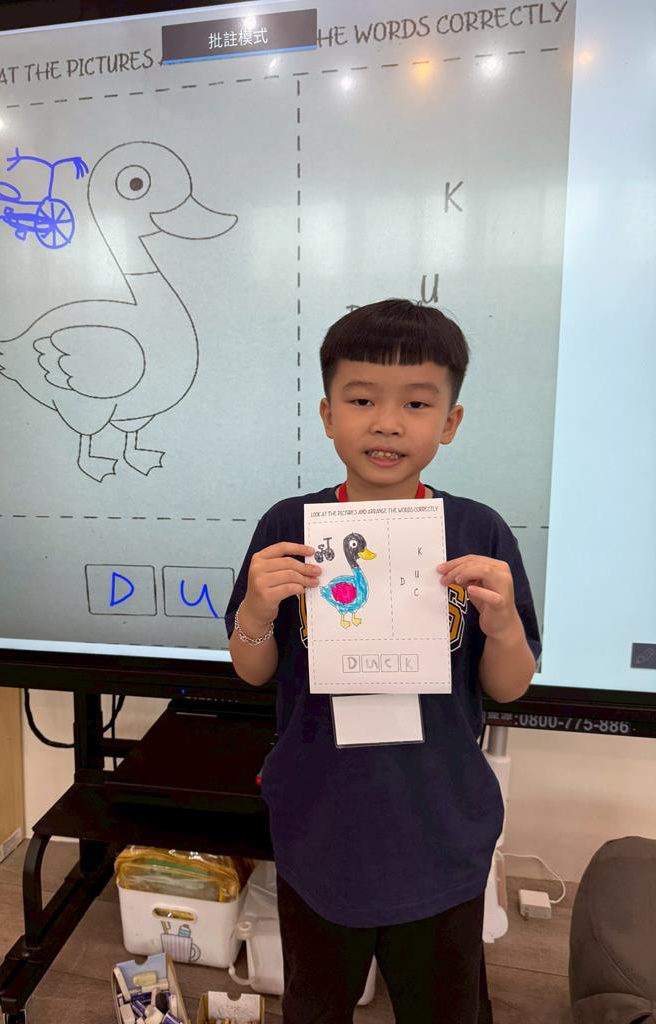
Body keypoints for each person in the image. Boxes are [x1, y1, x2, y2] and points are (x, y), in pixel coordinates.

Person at [225, 299, 541, 1023]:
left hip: (440, 820)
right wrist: (255, 612)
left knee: (444, 1004)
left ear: (449, 422)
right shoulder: (288, 525)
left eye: (416, 403)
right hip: (320, 818)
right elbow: (252, 670)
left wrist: (501, 625)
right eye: (362, 399)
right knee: (315, 1002)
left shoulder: (478, 529)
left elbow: (509, 686)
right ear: (327, 414)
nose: (387, 423)